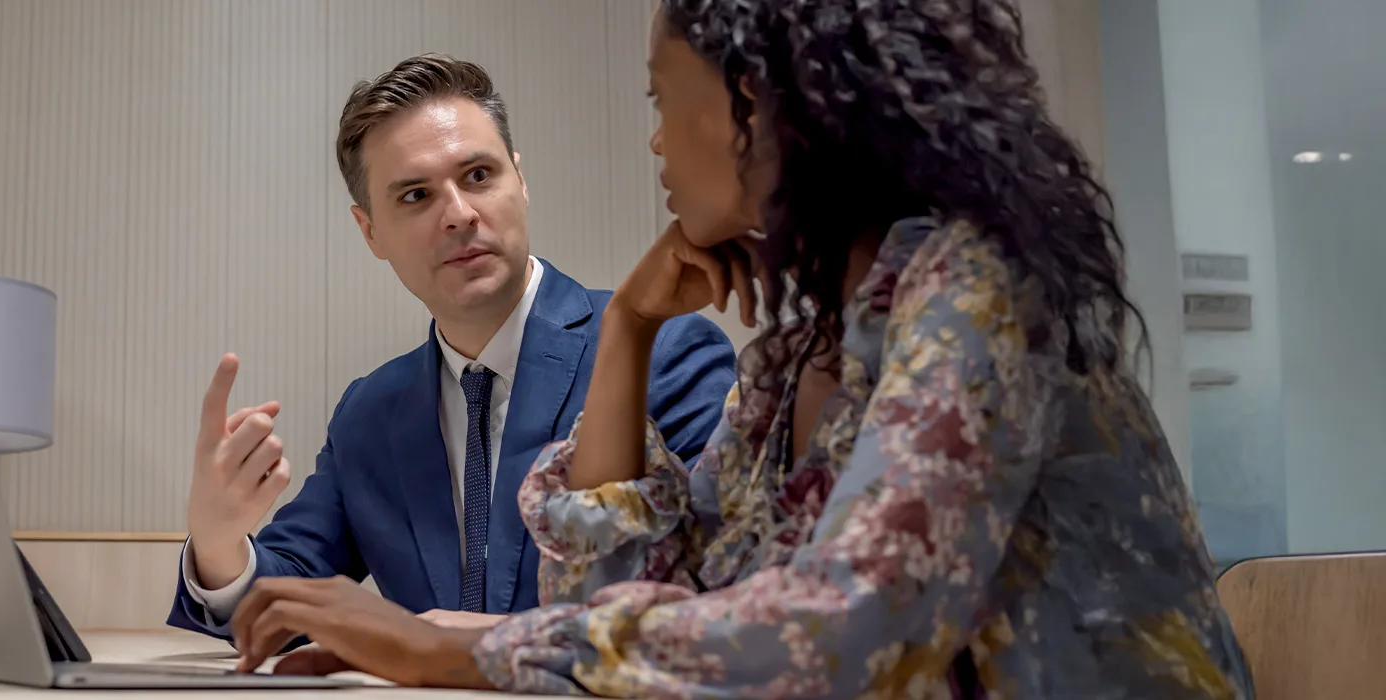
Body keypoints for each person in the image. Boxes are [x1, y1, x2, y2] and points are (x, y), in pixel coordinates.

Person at [223, 1, 1258, 697]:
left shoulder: (975, 286)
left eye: (659, 99)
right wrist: (626, 329)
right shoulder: (795, 352)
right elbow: (625, 602)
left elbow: (845, 631)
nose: (654, 140)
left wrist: (454, 650)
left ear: (767, 105)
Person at [165, 55, 739, 640]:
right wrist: (218, 544)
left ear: (521, 181)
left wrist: (492, 642)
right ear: (370, 232)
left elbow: (730, 594)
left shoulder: (664, 352)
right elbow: (284, 600)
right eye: (416, 195)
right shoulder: (369, 413)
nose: (460, 214)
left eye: (479, 176)